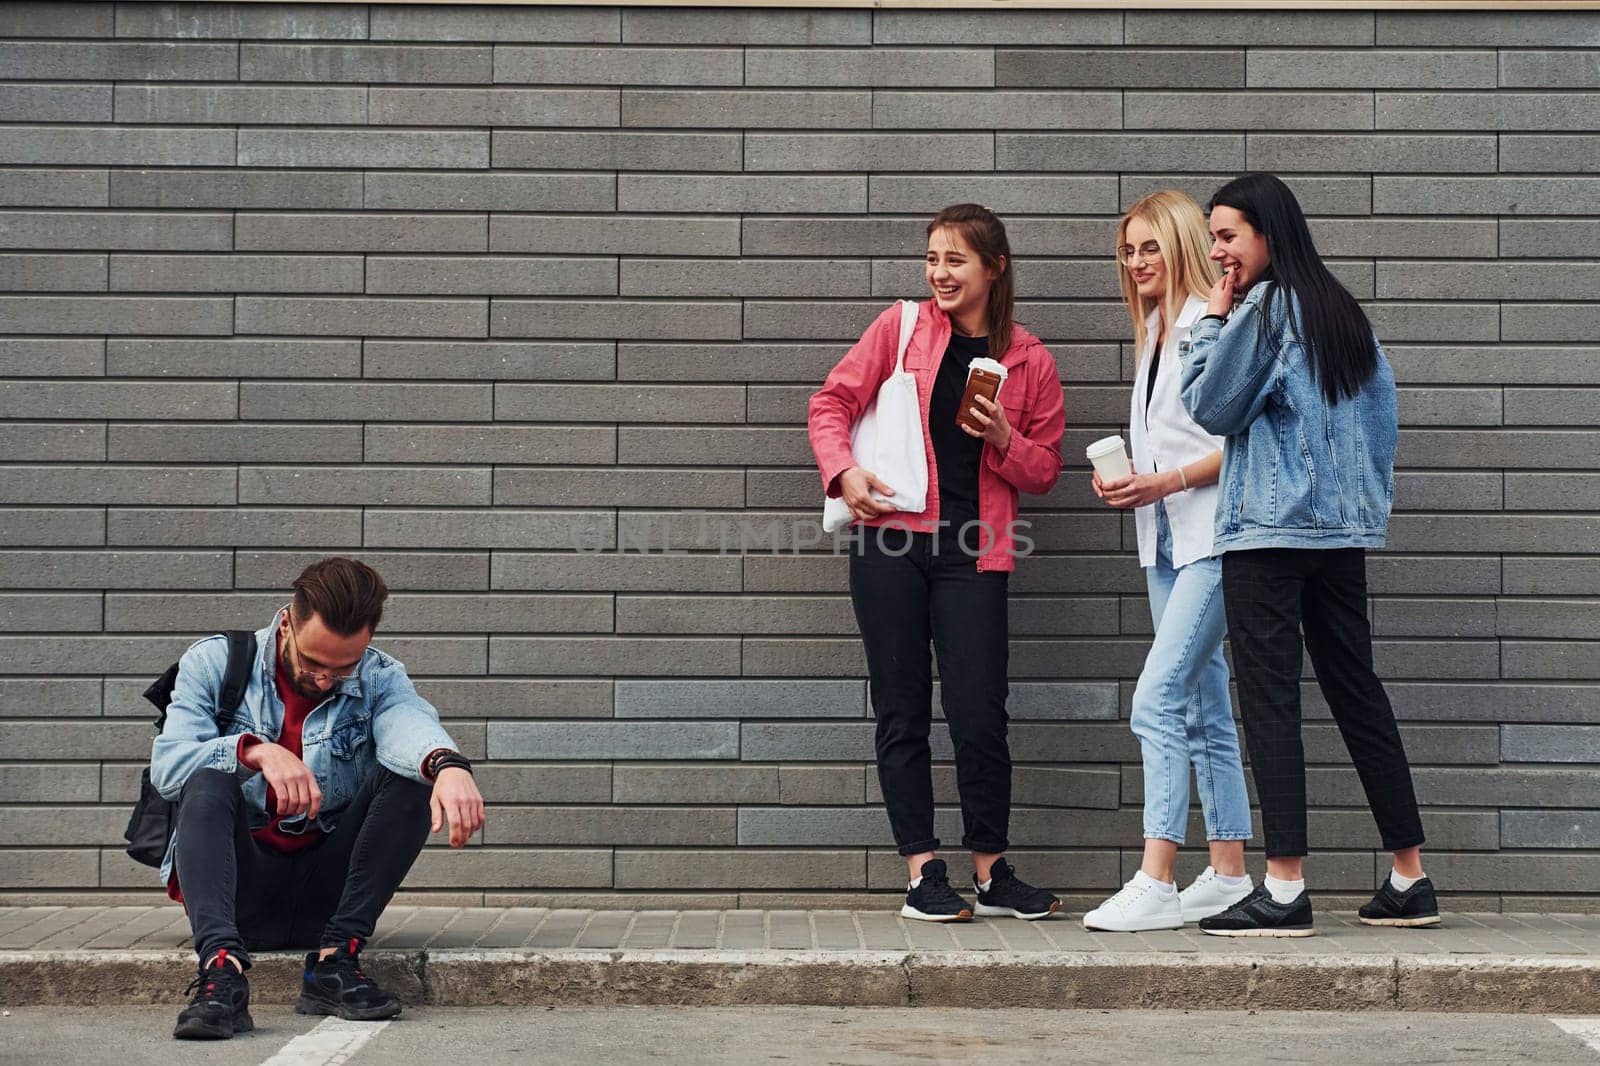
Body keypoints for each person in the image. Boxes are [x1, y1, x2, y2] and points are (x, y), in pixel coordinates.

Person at [1180, 173, 1438, 937]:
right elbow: (1384, 420)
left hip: (1268, 532)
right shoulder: (1341, 310)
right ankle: (1408, 876)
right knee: (1358, 691)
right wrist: (1358, 509)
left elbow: (1210, 406)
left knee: (1271, 701)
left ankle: (1285, 888)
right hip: (1339, 536)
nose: (1219, 252)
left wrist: (1209, 322)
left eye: (1228, 236)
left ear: (1269, 233)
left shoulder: (1262, 308)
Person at [809, 203, 1067, 922]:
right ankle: (924, 871)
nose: (940, 273)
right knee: (903, 710)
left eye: (956, 260)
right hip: (890, 541)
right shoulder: (900, 328)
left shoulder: (1030, 359)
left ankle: (991, 869)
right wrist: (844, 474)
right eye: (932, 259)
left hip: (976, 554)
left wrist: (1007, 438)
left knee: (980, 713)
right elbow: (829, 403)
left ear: (995, 267)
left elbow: (1044, 471)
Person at [152, 556, 487, 1038]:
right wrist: (253, 751)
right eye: (314, 663)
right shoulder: (213, 662)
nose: (327, 679)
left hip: (327, 898)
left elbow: (409, 723)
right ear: (287, 623)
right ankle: (222, 972)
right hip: (237, 894)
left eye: (343, 667)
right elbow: (168, 769)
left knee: (414, 775)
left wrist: (447, 764)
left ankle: (333, 965)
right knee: (207, 778)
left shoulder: (379, 677)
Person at [1082, 191, 1254, 932]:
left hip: (1214, 539)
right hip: (1163, 542)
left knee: (1154, 699)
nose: (1137, 262)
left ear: (1182, 245)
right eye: (1128, 251)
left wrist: (1166, 480)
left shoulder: (1209, 327)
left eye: (1149, 247)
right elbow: (1166, 442)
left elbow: (1243, 445)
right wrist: (1125, 476)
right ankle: (1229, 874)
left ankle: (1156, 878)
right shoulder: (1151, 330)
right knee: (1201, 704)